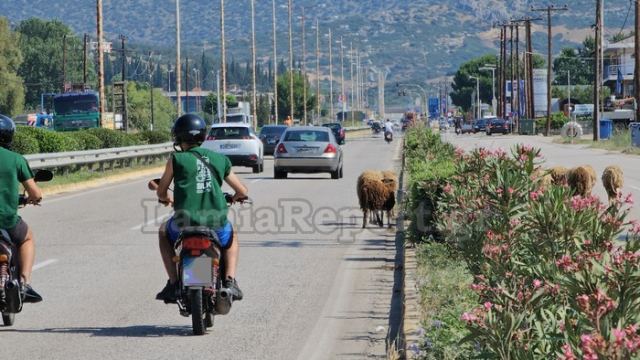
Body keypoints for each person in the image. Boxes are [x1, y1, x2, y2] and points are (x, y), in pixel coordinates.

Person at [155, 114, 248, 304]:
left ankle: (173, 283)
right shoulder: (220, 159)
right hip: (216, 224)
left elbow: (161, 191)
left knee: (163, 232)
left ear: (178, 138)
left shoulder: (176, 159)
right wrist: (237, 197)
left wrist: (165, 198)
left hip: (183, 225)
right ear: (202, 136)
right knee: (232, 237)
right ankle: (230, 282)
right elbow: (241, 190)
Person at [0, 114, 43, 303]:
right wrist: (32, 199)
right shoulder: (16, 159)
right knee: (27, 238)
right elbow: (35, 193)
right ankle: (24, 284)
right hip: (7, 221)